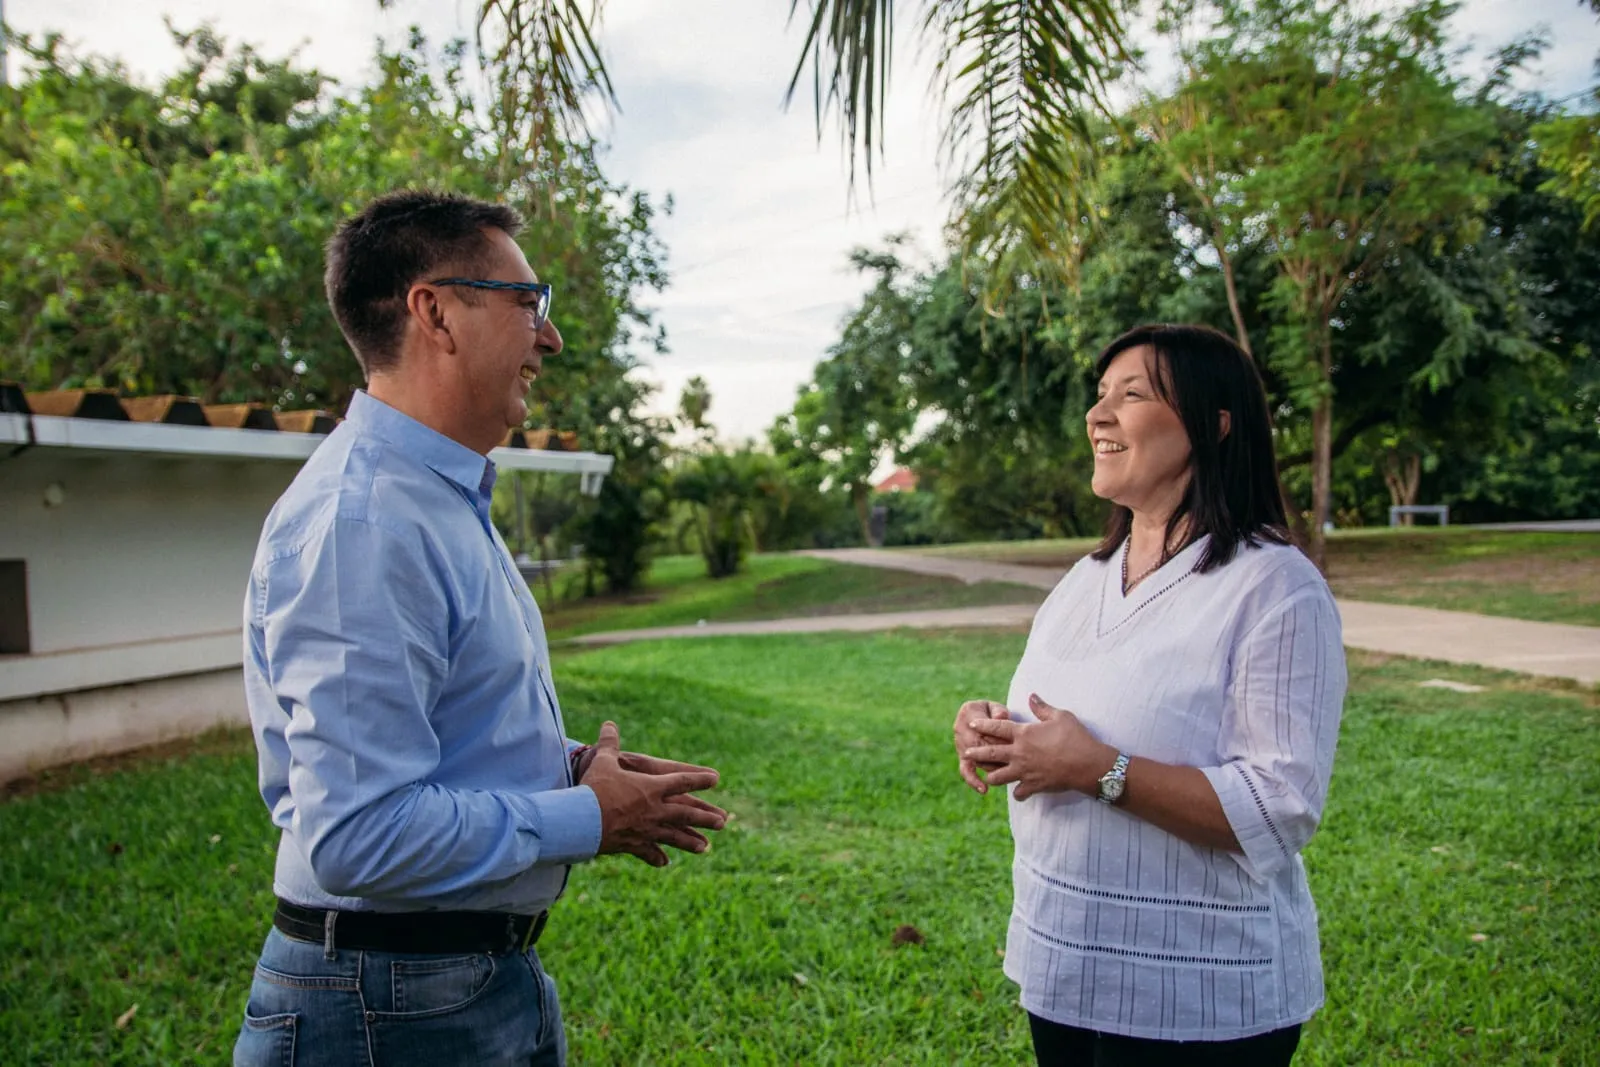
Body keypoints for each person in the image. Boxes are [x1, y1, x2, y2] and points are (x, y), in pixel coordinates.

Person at [233, 190, 727, 1067]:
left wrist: (568, 764)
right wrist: (583, 816)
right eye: (527, 303)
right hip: (385, 1007)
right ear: (434, 313)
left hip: (459, 980)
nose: (550, 337)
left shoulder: (435, 498)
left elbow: (443, 727)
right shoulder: (362, 523)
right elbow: (358, 835)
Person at [954, 324, 1345, 1066]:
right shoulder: (1085, 580)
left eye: (1131, 395)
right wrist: (993, 727)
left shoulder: (1275, 588)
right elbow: (1061, 721)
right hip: (1065, 962)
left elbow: (1282, 806)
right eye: (1100, 394)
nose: (1097, 415)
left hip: (1199, 991)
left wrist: (1096, 769)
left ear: (1213, 425)